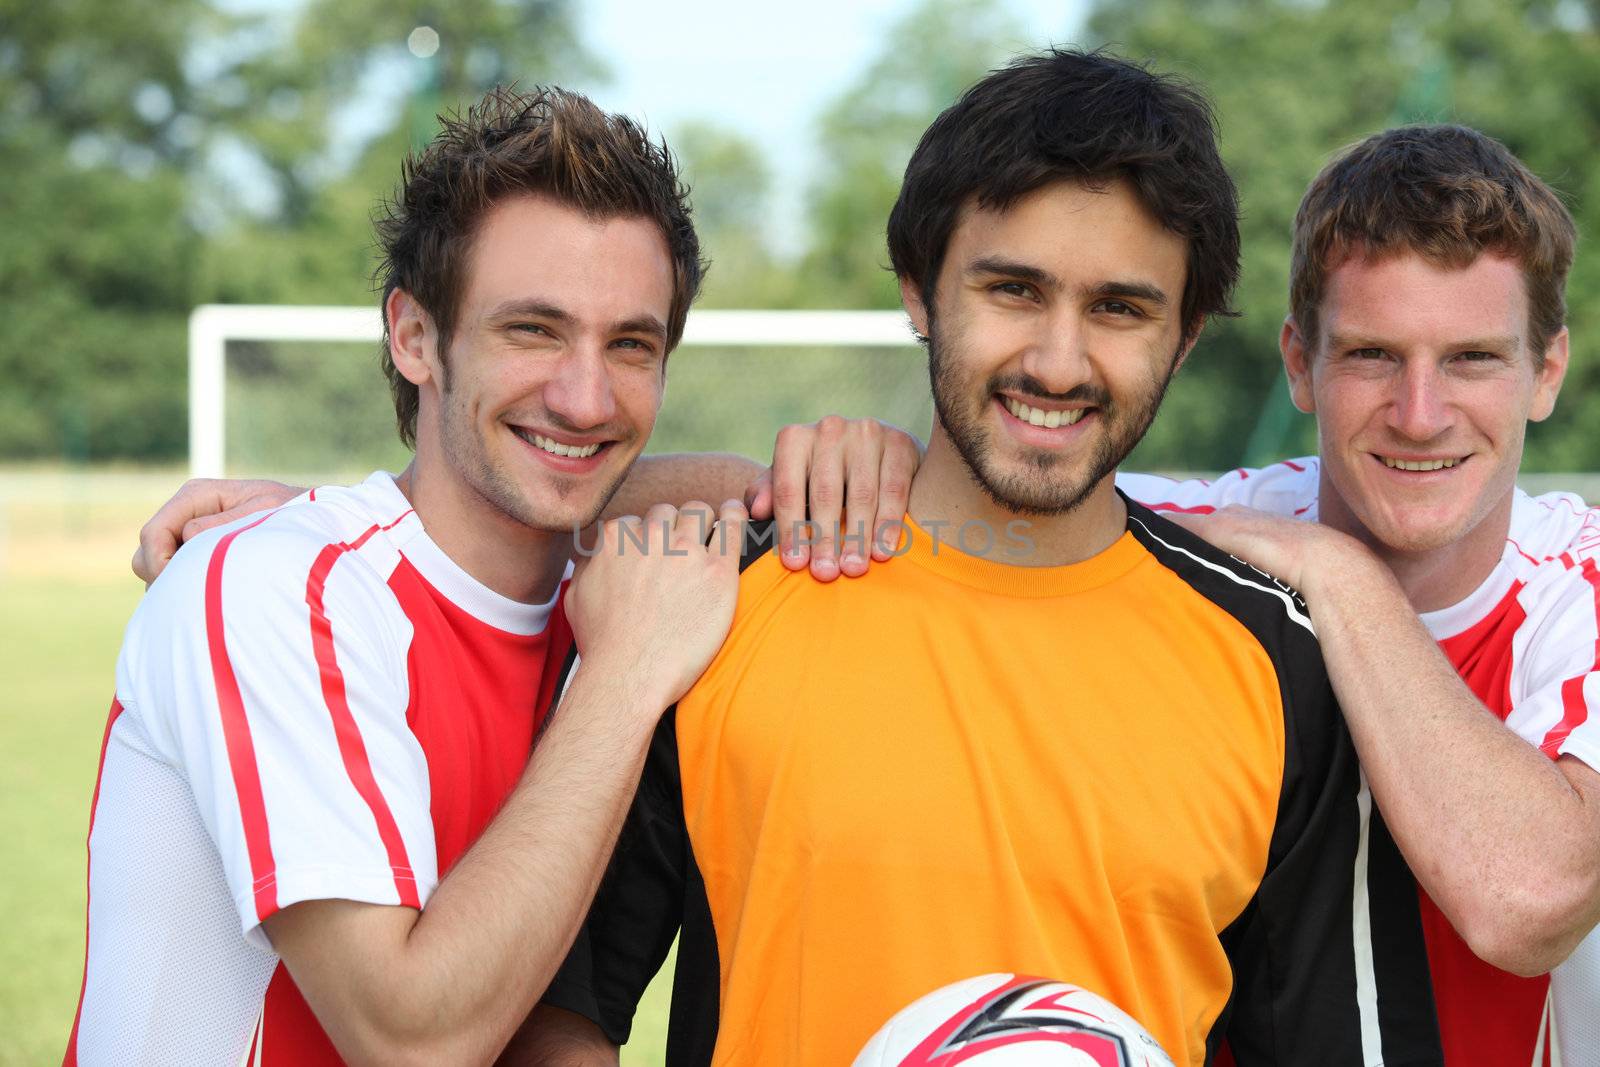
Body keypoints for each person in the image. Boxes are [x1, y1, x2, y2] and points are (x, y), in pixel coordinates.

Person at [527, 48, 1442, 1067]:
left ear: (1185, 337)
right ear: (919, 291)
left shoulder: (1284, 663)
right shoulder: (708, 605)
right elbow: (560, 1014)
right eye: (1013, 289)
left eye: (1119, 308)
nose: (1057, 361)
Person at [67, 85, 918, 1066]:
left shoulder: (612, 571)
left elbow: (758, 500)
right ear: (414, 334)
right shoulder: (274, 588)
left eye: (630, 344)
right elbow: (410, 1037)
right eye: (532, 330)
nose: (586, 393)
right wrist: (625, 675)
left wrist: (861, 461)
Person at [1109, 124, 1600, 1066]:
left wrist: (1342, 579)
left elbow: (1528, 900)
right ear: (1300, 362)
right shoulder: (1201, 528)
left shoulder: (1578, 593)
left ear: (1546, 371)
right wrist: (862, 465)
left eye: (1472, 359)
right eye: (1374, 355)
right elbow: (949, 521)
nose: (1420, 415)